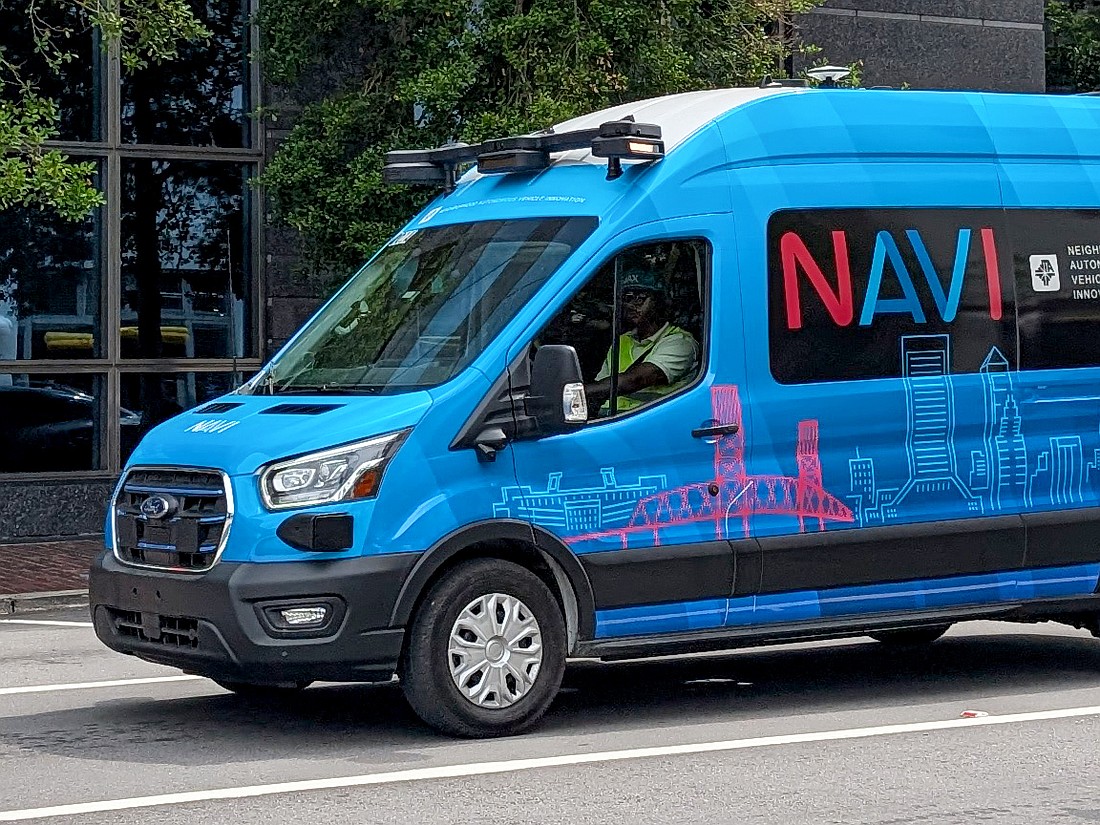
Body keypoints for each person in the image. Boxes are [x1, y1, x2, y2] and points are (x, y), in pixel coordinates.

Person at [583, 267, 699, 416]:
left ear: (659, 302)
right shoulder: (621, 341)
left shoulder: (680, 343)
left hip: (651, 426)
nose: (632, 304)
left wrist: (577, 393)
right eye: (627, 298)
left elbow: (636, 379)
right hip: (609, 424)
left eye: (641, 298)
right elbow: (601, 387)